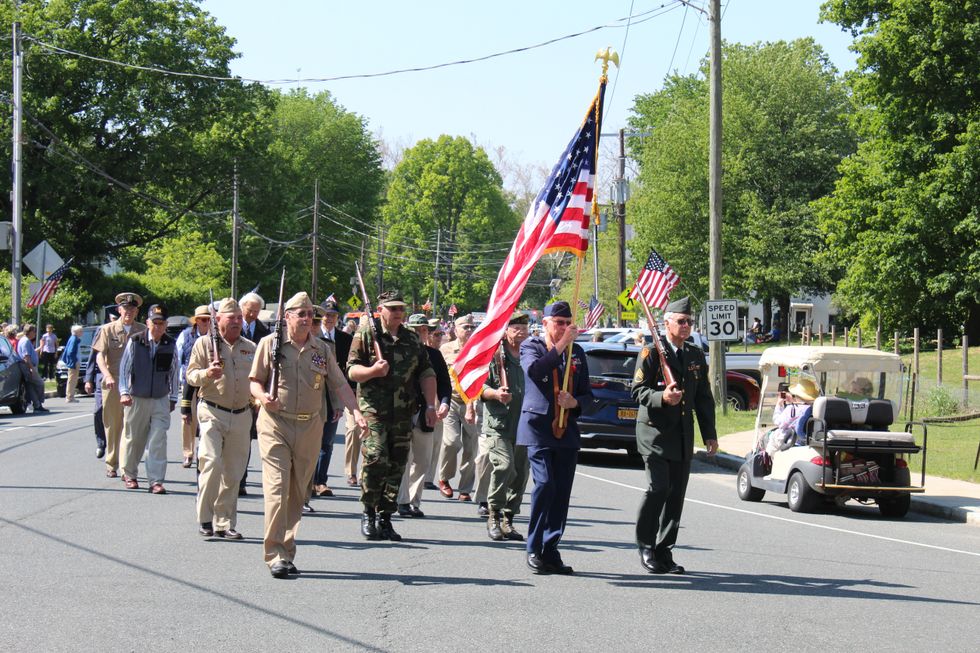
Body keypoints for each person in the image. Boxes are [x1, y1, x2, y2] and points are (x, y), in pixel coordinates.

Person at [250, 291, 365, 579]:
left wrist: (357, 412)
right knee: (277, 488)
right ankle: (274, 553)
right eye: (299, 314)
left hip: (310, 426)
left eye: (308, 315)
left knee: (297, 492)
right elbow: (254, 382)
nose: (305, 319)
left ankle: (287, 549)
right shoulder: (270, 344)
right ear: (286, 316)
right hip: (275, 423)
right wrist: (264, 397)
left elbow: (340, 385)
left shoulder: (322, 350)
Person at [632, 296, 717, 575]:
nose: (686, 325)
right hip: (654, 433)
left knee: (676, 496)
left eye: (689, 321)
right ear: (666, 323)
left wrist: (710, 435)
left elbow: (703, 398)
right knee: (659, 488)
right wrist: (662, 397)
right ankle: (646, 545)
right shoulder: (651, 353)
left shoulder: (694, 354)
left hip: (681, 434)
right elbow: (638, 392)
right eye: (681, 321)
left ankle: (664, 549)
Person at [348, 291, 437, 542]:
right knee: (376, 457)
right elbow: (352, 370)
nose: (398, 312)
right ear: (380, 310)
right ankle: (368, 512)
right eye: (392, 308)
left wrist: (430, 406)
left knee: (397, 464)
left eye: (401, 308)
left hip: (403, 411)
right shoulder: (367, 334)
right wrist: (372, 371)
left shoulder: (411, 339)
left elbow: (426, 372)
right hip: (374, 409)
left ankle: (386, 516)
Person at [517, 301, 592, 575]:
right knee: (545, 484)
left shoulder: (578, 353)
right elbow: (536, 372)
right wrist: (562, 345)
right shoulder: (531, 346)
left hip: (566, 430)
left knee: (560, 493)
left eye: (567, 322)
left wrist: (575, 403)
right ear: (545, 323)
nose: (563, 327)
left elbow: (587, 394)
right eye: (558, 323)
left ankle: (551, 549)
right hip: (538, 427)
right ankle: (534, 547)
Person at [186, 298, 255, 539]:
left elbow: (259, 379)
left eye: (239, 317)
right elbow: (191, 376)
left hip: (242, 414)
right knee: (211, 462)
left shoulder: (250, 347)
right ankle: (205, 518)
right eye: (231, 317)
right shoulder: (204, 344)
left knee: (234, 472)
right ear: (218, 320)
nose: (237, 321)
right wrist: (207, 373)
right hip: (212, 411)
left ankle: (225, 522)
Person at [118, 304, 178, 495]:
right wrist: (124, 392)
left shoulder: (170, 343)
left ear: (166, 324)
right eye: (155, 322)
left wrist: (173, 397)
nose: (158, 327)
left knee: (158, 440)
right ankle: (130, 475)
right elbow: (124, 369)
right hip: (137, 397)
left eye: (161, 323)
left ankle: (156, 481)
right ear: (147, 323)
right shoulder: (136, 341)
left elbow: (175, 372)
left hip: (160, 398)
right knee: (134, 438)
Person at [481, 312, 530, 541]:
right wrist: (495, 393)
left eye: (524, 327)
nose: (520, 331)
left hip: (525, 424)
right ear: (506, 330)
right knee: (505, 466)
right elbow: (478, 387)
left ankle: (508, 519)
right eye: (515, 327)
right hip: (499, 423)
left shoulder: (530, 355)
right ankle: (494, 513)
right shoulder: (495, 355)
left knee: (520, 473)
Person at [396, 314, 451, 518]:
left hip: (426, 413)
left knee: (422, 460)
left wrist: (444, 403)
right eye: (416, 330)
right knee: (403, 458)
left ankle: (413, 501)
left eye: (424, 330)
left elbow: (445, 384)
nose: (421, 333)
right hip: (402, 412)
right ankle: (401, 501)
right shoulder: (399, 352)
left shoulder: (434, 355)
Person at [93, 292, 147, 478]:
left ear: (137, 311)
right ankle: (112, 462)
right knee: (113, 424)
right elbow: (99, 356)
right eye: (125, 308)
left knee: (131, 425)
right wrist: (107, 375)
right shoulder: (107, 329)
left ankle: (127, 465)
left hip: (135, 384)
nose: (128, 312)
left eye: (132, 309)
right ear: (119, 309)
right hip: (113, 382)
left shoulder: (142, 330)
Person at [311, 298, 354, 498]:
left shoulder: (334, 342)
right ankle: (307, 482)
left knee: (327, 442)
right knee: (309, 443)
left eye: (330, 316)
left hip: (329, 397)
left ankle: (320, 481)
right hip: (308, 400)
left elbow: (336, 376)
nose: (325, 321)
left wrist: (339, 403)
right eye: (320, 319)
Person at [437, 314, 481, 501]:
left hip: (473, 400)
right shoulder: (446, 349)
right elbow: (439, 375)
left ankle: (465, 489)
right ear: (455, 330)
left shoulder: (479, 349)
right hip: (452, 400)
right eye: (465, 327)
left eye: (472, 327)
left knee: (471, 447)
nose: (469, 330)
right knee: (452, 442)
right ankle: (444, 478)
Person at [239, 292, 270, 496]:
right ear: (242, 308)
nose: (252, 314)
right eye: (250, 310)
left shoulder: (263, 332)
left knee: (245, 440)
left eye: (256, 311)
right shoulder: (231, 327)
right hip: (235, 388)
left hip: (254, 394)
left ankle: (241, 480)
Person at [176, 305, 211, 468]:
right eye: (204, 320)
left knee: (207, 419)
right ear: (197, 321)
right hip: (189, 383)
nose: (207, 323)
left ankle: (203, 451)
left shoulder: (214, 337)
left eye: (209, 320)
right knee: (187, 418)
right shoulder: (185, 336)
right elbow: (177, 359)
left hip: (208, 383)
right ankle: (187, 453)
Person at [17, 325, 49, 412]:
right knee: (40, 383)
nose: (35, 333)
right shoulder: (25, 341)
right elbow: (26, 357)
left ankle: (37, 405)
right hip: (28, 366)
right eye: (34, 331)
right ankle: (39, 402)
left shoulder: (26, 340)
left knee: (31, 387)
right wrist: (31, 369)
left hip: (28, 366)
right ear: (29, 332)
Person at [84, 346, 106, 458]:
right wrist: (88, 380)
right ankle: (101, 443)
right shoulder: (102, 331)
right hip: (101, 378)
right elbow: (93, 357)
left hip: (122, 377)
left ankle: (119, 448)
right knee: (98, 410)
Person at [61, 324, 83, 402]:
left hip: (74, 362)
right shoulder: (74, 339)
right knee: (72, 380)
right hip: (74, 363)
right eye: (81, 331)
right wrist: (74, 361)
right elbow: (70, 352)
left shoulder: (74, 339)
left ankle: (71, 396)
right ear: (76, 332)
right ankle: (70, 397)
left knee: (73, 380)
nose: (82, 333)